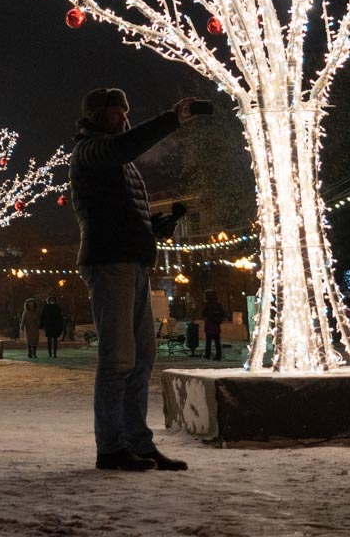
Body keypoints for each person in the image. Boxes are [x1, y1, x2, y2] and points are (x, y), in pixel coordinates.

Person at [71, 87, 199, 472]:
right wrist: (172, 117)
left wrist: (153, 226)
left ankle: (137, 443)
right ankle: (110, 448)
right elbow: (123, 148)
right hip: (109, 264)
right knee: (117, 359)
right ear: (93, 117)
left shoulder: (119, 161)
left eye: (121, 111)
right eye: (109, 112)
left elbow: (121, 209)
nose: (118, 117)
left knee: (144, 357)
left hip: (135, 263)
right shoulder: (90, 151)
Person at [201, 290, 227, 361]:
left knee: (208, 342)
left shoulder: (207, 305)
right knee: (217, 342)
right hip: (216, 326)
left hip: (209, 325)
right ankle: (218, 356)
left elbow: (203, 314)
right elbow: (223, 314)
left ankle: (207, 355)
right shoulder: (218, 305)